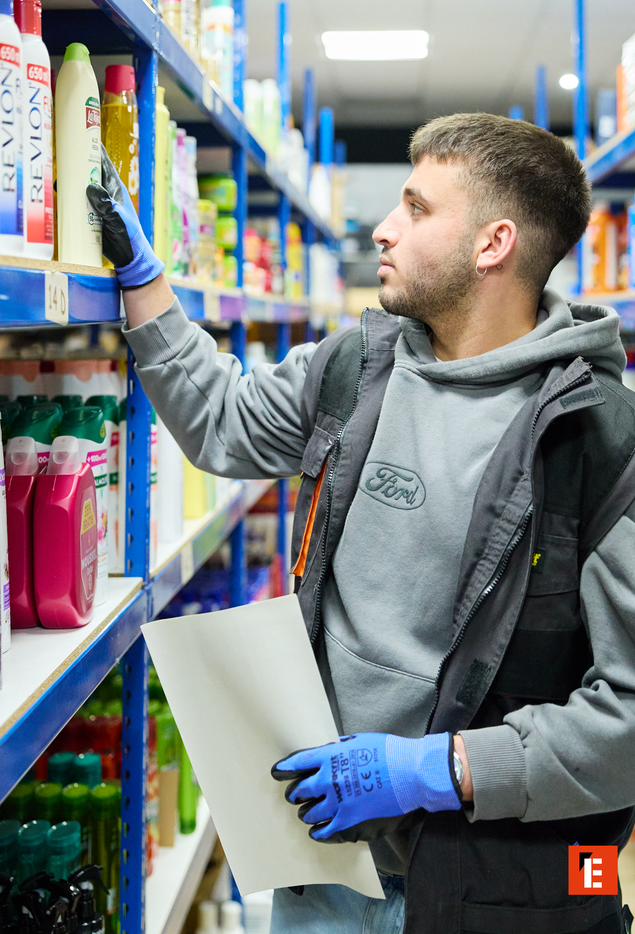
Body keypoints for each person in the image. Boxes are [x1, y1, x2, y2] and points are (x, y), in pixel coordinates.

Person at [88, 113, 635, 934]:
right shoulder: (353, 370)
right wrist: (142, 278)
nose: (382, 228)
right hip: (323, 866)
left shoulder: (600, 440)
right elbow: (223, 421)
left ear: (492, 245)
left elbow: (625, 716)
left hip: (498, 891)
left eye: (415, 208)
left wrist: (436, 769)